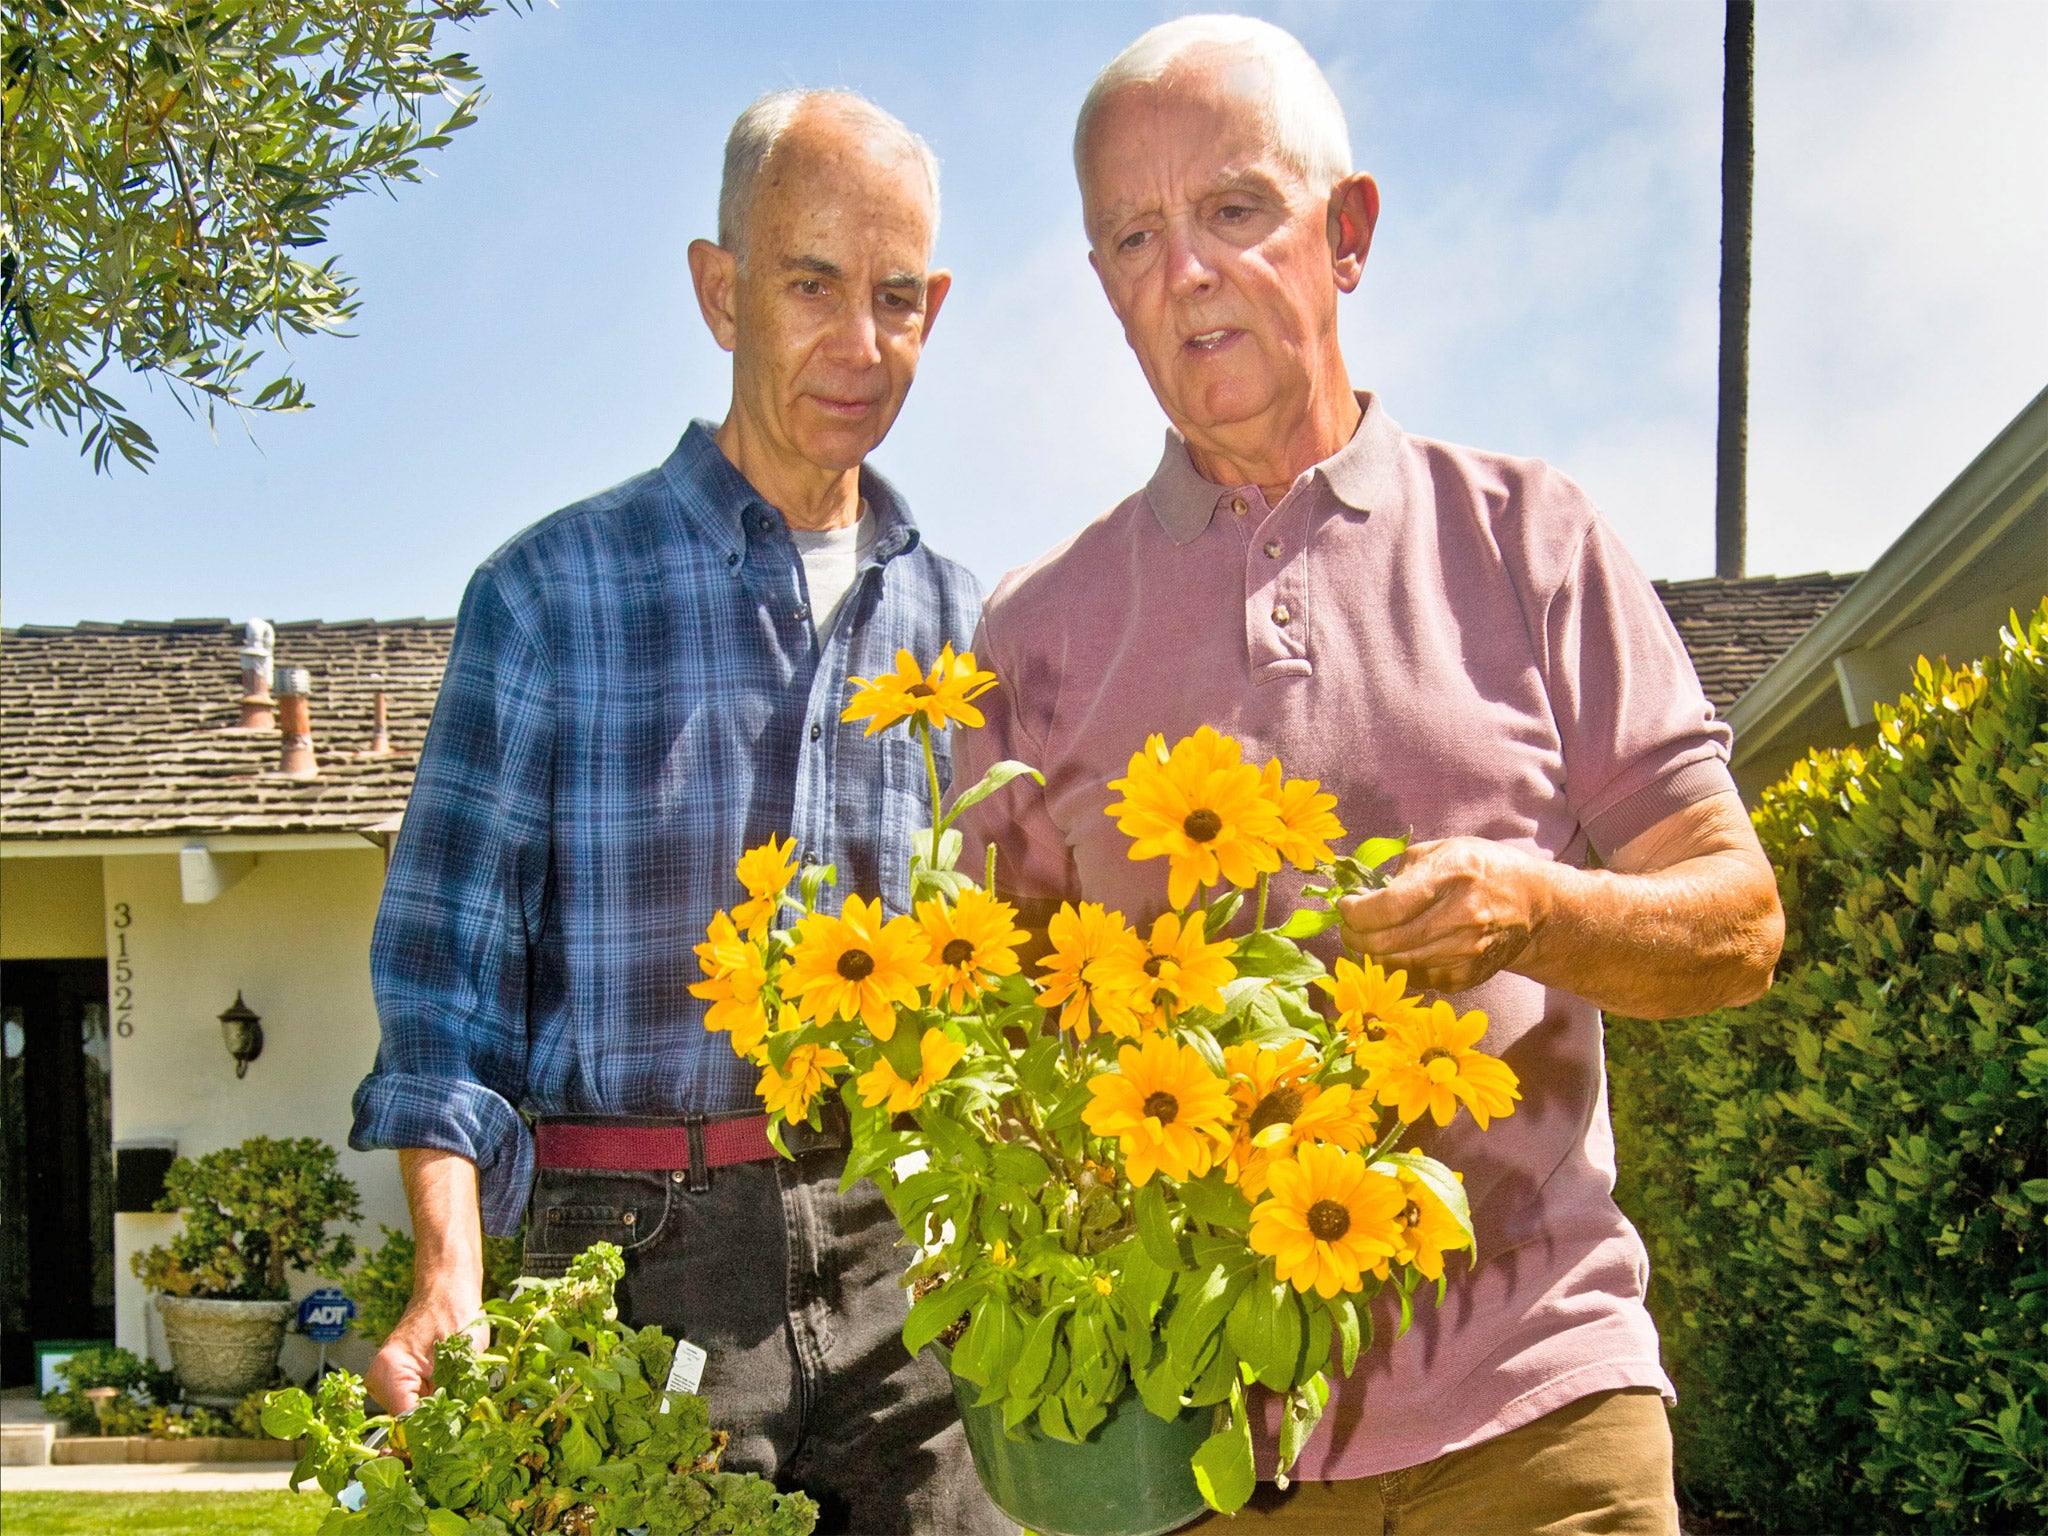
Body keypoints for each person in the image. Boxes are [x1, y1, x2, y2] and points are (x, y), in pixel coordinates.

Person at [953, 16, 1784, 1535]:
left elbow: (1737, 926)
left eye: (1234, 208)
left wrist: (1536, 910)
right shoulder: (1030, 636)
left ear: (1350, 233)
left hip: (1547, 1419)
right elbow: (1002, 1054)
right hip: (1209, 1459)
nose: (1187, 269)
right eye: (1134, 236)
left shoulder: (1530, 538)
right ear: (1104, 292)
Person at [352, 89, 1007, 1535]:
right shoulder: (547, 597)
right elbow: (442, 993)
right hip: (631, 1257)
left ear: (935, 308)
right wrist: (447, 1272)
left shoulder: (970, 629)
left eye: (895, 297)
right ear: (719, 291)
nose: (859, 342)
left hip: (909, 1267)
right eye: (810, 284)